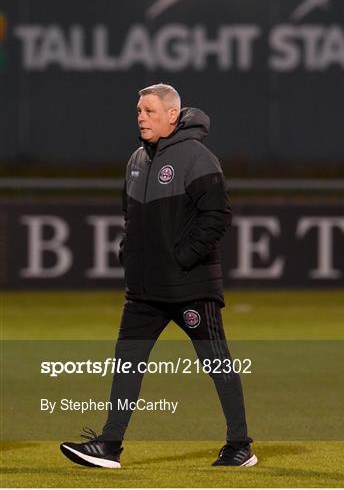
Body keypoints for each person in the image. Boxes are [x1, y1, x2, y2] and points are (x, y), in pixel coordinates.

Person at [60, 83, 256, 468]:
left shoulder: (198, 157)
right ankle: (109, 445)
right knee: (126, 364)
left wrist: (181, 257)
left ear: (172, 116)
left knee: (216, 363)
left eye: (149, 111)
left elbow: (217, 215)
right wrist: (129, 252)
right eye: (138, 111)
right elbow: (130, 217)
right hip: (144, 289)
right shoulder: (136, 159)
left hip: (189, 285)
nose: (141, 117)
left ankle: (240, 445)